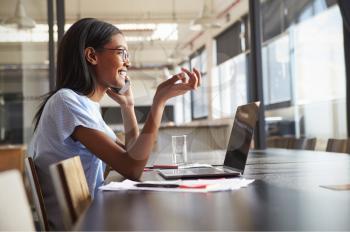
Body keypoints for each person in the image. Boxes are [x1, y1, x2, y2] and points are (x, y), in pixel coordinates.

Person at [28, 18, 201, 229]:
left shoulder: (84, 105)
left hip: (90, 216)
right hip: (82, 225)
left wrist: (128, 107)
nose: (128, 62)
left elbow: (132, 154)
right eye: (121, 53)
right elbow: (133, 168)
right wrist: (159, 103)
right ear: (92, 56)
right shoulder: (67, 101)